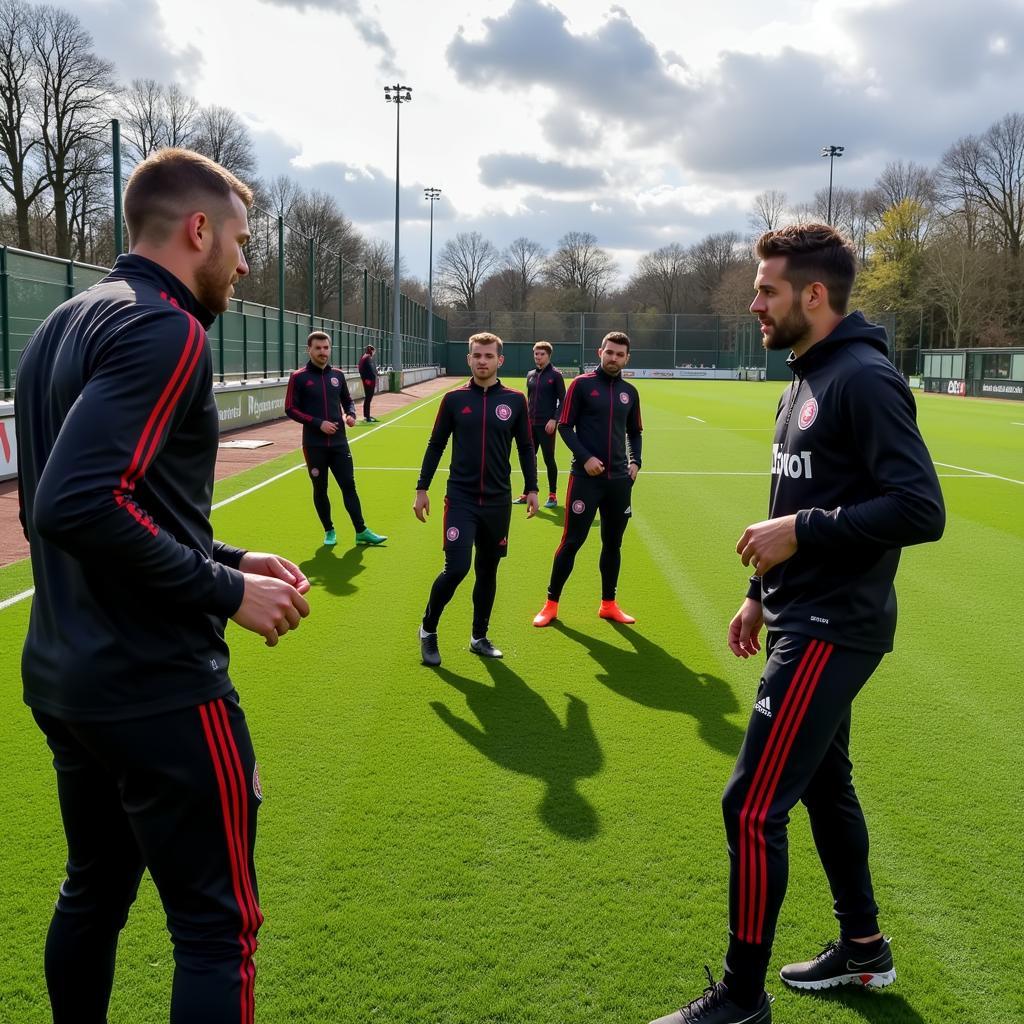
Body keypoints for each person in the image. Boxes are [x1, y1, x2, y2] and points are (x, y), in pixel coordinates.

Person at [14, 147, 313, 1024]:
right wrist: (226, 595)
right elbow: (76, 505)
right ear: (197, 230)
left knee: (92, 894)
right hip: (159, 688)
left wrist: (228, 557)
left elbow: (91, 501)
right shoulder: (165, 327)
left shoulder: (68, 320)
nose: (246, 262)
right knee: (219, 934)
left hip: (69, 677)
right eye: (241, 240)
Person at [647, 224, 945, 1024]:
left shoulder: (864, 378)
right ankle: (864, 947)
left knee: (750, 807)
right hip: (794, 610)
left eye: (767, 289)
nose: (754, 303)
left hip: (832, 623)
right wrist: (757, 589)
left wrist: (803, 534)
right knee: (824, 782)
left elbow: (921, 508)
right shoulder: (802, 381)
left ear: (815, 295)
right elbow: (792, 505)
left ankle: (741, 1002)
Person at [414, 332, 538, 666]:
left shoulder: (514, 401)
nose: (482, 361)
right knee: (456, 568)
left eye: (488, 356)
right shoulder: (454, 400)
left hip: (498, 501)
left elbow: (526, 446)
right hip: (461, 499)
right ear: (468, 359)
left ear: (500, 360)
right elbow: (435, 444)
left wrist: (533, 488)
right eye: (476, 355)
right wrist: (422, 488)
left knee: (487, 571)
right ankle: (428, 630)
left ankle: (478, 637)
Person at [532, 331, 642, 628]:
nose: (614, 358)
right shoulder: (581, 385)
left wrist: (636, 461)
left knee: (613, 543)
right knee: (572, 541)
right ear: (600, 352)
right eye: (610, 353)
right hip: (585, 479)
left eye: (620, 354)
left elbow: (634, 432)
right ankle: (550, 604)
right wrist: (586, 458)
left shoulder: (629, 392)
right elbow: (565, 427)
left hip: (619, 481)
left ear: (627, 358)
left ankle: (609, 604)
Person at [285, 332, 387, 547]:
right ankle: (329, 530)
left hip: (340, 443)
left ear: (330, 349)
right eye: (318, 348)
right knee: (320, 488)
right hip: (314, 445)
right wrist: (317, 423)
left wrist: (351, 414)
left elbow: (348, 401)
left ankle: (361, 531)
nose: (323, 352)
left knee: (349, 485)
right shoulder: (299, 377)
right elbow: (290, 408)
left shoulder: (338, 376)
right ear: (309, 350)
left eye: (326, 348)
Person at [514, 340, 566, 509]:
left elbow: (563, 401)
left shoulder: (556, 375)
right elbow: (528, 400)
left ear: (548, 355)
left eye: (542, 354)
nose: (538, 356)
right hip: (530, 425)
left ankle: (553, 495)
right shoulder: (530, 374)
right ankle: (527, 492)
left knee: (549, 459)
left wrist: (554, 419)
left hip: (547, 425)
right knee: (528, 458)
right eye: (536, 353)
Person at [358, 344, 379, 422]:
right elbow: (370, 370)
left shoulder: (366, 357)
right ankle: (367, 416)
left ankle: (367, 415)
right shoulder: (367, 358)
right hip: (369, 381)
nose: (374, 353)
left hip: (368, 380)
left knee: (368, 398)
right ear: (372, 351)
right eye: (374, 351)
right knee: (368, 398)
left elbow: (370, 369)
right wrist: (371, 378)